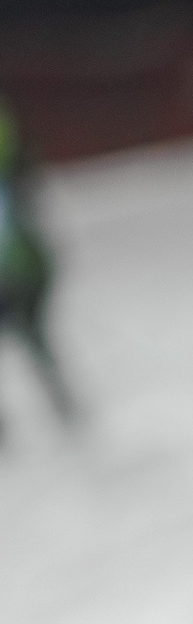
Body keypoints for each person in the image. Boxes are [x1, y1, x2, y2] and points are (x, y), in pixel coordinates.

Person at [0, 97, 77, 442]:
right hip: (23, 267)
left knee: (35, 339)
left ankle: (65, 411)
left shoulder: (11, 186)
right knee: (36, 342)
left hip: (19, 271)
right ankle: (64, 409)